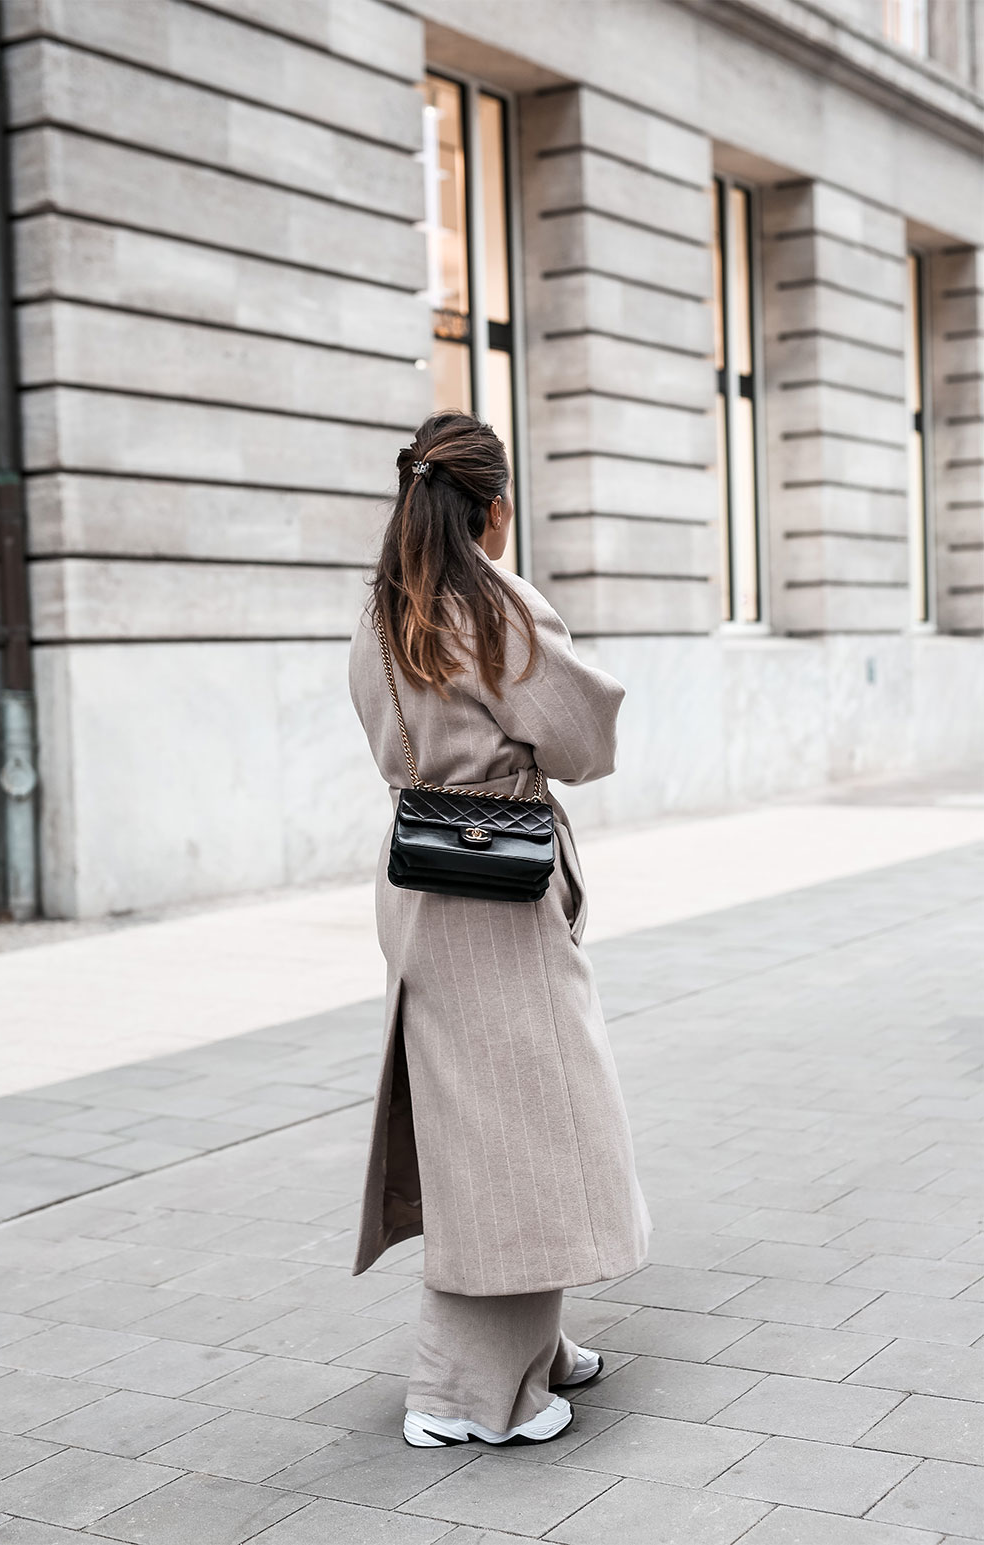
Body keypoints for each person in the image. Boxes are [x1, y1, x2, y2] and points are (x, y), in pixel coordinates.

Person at [347, 410, 651, 1448]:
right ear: (494, 509)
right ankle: (465, 1395)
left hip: (421, 884)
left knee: (485, 1119)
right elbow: (580, 736)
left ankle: (536, 1342)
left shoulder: (387, 610)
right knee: (519, 1134)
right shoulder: (494, 602)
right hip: (498, 886)